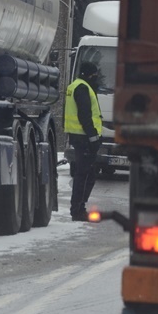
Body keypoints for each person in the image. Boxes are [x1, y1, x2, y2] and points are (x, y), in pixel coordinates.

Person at [64, 61, 103, 221]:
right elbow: (85, 116)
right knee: (84, 175)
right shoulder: (82, 88)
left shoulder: (77, 85)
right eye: (94, 75)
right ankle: (77, 210)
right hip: (84, 138)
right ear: (89, 74)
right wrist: (93, 138)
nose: (96, 78)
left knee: (87, 174)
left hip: (79, 137)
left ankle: (79, 208)